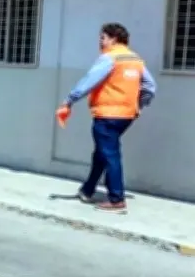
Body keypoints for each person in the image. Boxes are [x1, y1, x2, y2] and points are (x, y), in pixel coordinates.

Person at [55, 22, 157, 214]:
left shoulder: (109, 58)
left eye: (103, 38)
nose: (100, 42)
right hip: (126, 116)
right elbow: (150, 87)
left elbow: (89, 81)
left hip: (107, 115)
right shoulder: (135, 60)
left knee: (110, 155)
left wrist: (70, 100)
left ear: (113, 39)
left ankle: (116, 199)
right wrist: (138, 106)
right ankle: (88, 190)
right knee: (102, 153)